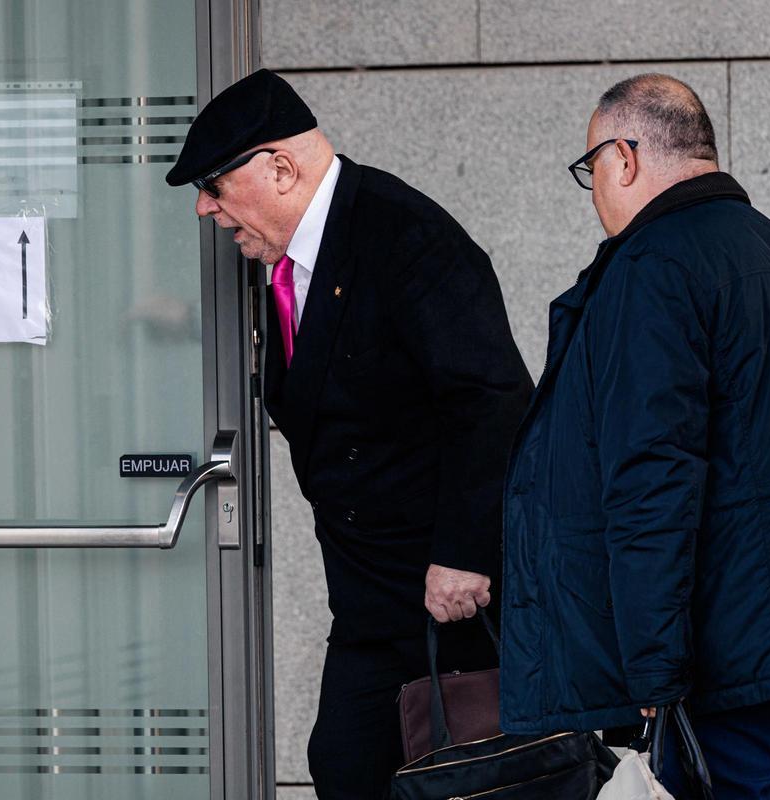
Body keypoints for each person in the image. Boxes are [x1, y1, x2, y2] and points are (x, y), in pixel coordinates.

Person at [165, 69, 533, 798]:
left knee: (470, 781)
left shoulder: (408, 237)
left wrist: (462, 556)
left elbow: (492, 399)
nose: (206, 208)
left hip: (447, 596)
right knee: (344, 765)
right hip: (367, 596)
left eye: (213, 183)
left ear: (280, 166)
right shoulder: (281, 262)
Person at [500, 72, 770, 799]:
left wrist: (651, 667)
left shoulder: (654, 266)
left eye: (591, 168)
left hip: (718, 644)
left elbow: (651, 473)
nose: (594, 189)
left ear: (624, 156)